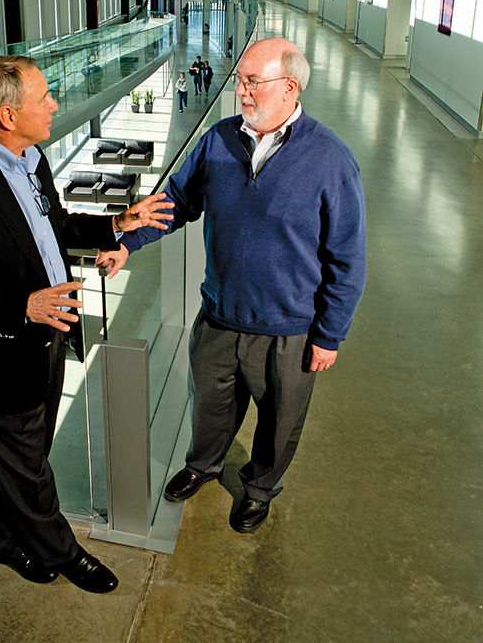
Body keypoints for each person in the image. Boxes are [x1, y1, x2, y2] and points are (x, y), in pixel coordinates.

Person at [0, 55, 173, 592]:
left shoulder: (31, 158)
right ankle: (62, 551)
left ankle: (2, 541)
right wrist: (21, 306)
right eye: (44, 98)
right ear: (8, 116)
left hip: (49, 339)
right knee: (29, 470)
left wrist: (117, 223)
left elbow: (51, 225)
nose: (55, 104)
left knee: (22, 459)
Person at [96, 38, 366, 534]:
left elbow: (347, 258)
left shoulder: (330, 159)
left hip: (289, 330)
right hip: (219, 314)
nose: (240, 90)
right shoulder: (218, 140)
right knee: (210, 405)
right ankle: (204, 466)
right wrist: (126, 243)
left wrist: (330, 334)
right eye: (241, 79)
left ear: (289, 86)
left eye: (251, 81)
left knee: (280, 421)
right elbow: (176, 201)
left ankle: (260, 489)